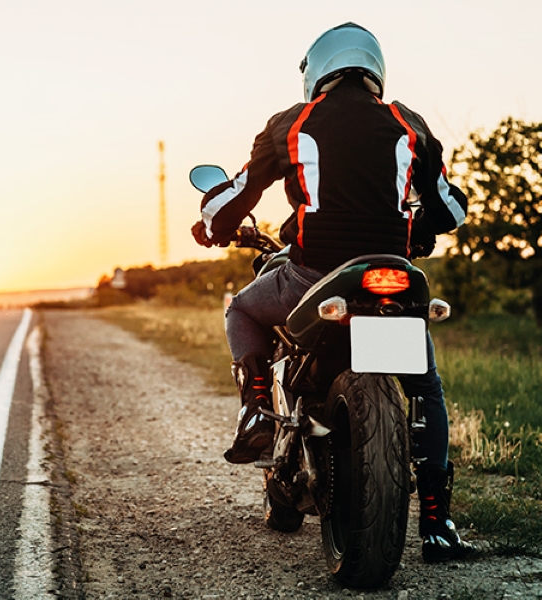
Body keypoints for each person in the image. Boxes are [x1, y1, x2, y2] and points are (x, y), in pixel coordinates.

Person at [192, 22, 474, 563]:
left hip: (312, 275)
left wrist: (212, 225)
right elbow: (449, 208)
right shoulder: (407, 123)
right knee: (427, 387)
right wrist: (419, 231)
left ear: (316, 71)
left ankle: (255, 412)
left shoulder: (291, 123)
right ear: (374, 69)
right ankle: (437, 524)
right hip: (394, 278)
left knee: (242, 309)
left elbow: (237, 191)